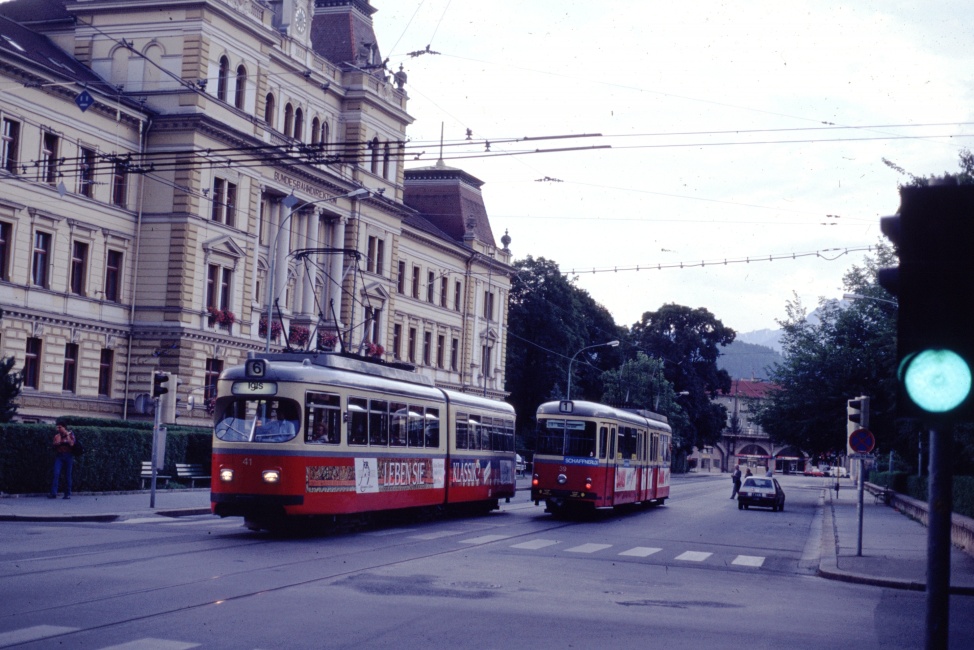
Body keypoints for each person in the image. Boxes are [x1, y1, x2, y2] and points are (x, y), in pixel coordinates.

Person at [49, 424, 75, 499]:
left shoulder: (70, 434)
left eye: (60, 427)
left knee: (68, 475)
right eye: (57, 427)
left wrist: (67, 436)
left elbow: (72, 444)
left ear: (64, 428)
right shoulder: (57, 436)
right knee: (56, 473)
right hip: (59, 455)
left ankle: (67, 494)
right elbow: (54, 445)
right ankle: (53, 493)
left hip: (68, 456)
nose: (58, 429)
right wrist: (57, 443)